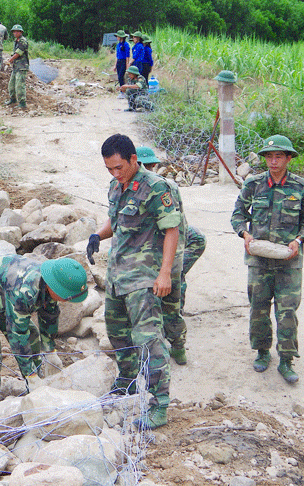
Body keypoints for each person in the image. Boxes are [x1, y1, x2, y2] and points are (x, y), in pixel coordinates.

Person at [85, 134, 181, 429]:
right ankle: (127, 379)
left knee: (148, 339)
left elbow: (171, 231)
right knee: (117, 332)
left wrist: (164, 273)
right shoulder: (116, 186)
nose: (115, 174)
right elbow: (116, 219)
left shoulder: (156, 188)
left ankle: (159, 404)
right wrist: (97, 235)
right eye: (109, 169)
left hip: (144, 276)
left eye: (119, 168)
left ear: (133, 160)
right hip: (117, 275)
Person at [230, 134, 304, 384]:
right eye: (269, 156)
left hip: (289, 261)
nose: (273, 161)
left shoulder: (301, 187)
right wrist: (245, 234)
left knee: (287, 311)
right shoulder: (254, 184)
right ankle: (261, 352)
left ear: (289, 158)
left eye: (279, 156)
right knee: (259, 308)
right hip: (259, 259)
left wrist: (299, 240)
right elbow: (237, 213)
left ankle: (287, 360)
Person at [0, 255, 88, 417]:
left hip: (1, 294)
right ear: (54, 287)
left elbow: (50, 315)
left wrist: (49, 351)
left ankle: (38, 387)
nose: (67, 301)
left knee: (32, 335)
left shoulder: (50, 281)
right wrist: (29, 375)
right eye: (66, 296)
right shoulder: (25, 291)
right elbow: (17, 334)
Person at [136, 146, 206, 365]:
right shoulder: (138, 187)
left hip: (158, 258)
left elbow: (177, 229)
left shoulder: (161, 188)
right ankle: (177, 347)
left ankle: (173, 348)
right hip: (163, 258)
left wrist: (174, 267)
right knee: (171, 307)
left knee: (160, 306)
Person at [4, 24, 29, 109]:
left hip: (22, 66)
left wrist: (9, 60)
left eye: (16, 31)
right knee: (11, 84)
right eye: (14, 31)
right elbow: (14, 53)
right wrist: (11, 60)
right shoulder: (16, 41)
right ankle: (13, 99)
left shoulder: (23, 41)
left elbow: (18, 53)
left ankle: (22, 103)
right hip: (16, 66)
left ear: (21, 32)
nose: (14, 33)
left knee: (19, 85)